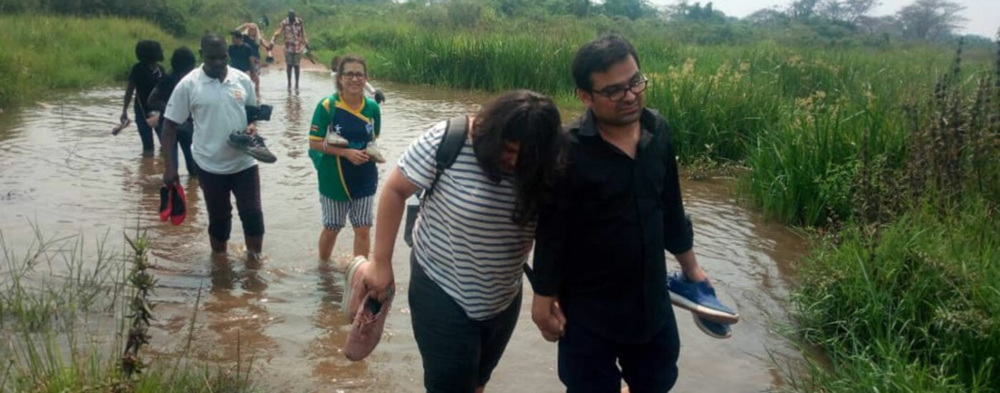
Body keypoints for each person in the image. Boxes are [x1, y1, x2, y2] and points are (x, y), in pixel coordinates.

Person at [530, 34, 715, 393]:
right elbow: (551, 233)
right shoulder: (567, 149)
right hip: (588, 312)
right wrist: (542, 300)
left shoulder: (657, 130)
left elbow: (672, 209)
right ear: (585, 96)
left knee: (658, 383)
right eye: (614, 91)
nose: (630, 95)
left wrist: (692, 269)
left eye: (635, 82)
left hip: (652, 305)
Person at [363, 90, 566, 392]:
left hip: (503, 297)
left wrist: (550, 294)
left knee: (478, 381)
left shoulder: (543, 166)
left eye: (525, 155)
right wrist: (380, 262)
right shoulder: (451, 140)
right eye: (508, 149)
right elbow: (394, 191)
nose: (513, 161)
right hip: (441, 287)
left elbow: (555, 233)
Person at [161, 34, 265, 257]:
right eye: (212, 58)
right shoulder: (189, 85)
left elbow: (250, 116)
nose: (218, 63)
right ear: (201, 55)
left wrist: (251, 127)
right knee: (219, 220)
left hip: (244, 161)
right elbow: (169, 126)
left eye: (222, 57)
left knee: (253, 215)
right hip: (210, 165)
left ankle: (254, 266)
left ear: (228, 54)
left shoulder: (242, 80)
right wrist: (169, 168)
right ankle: (220, 266)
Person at [307, 55, 382, 262]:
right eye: (349, 74)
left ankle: (359, 273)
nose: (354, 79)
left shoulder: (373, 108)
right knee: (332, 227)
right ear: (340, 78)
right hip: (334, 176)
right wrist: (345, 153)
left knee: (363, 227)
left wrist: (368, 155)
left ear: (365, 78)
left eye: (359, 75)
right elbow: (314, 143)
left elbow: (373, 140)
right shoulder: (327, 107)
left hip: (365, 175)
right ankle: (323, 270)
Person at [147, 47, 200, 178]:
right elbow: (151, 100)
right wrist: (172, 110)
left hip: (181, 124)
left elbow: (152, 101)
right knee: (179, 164)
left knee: (189, 164)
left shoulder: (190, 81)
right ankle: (188, 193)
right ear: (190, 64)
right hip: (171, 125)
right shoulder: (169, 80)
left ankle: (189, 192)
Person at [120, 40, 165, 155]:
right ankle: (148, 170)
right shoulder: (138, 69)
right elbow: (130, 90)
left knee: (165, 143)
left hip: (159, 112)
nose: (162, 52)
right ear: (151, 54)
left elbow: (167, 93)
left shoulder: (161, 70)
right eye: (159, 50)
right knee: (148, 146)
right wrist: (124, 110)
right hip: (141, 111)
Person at [269, 9, 308, 89]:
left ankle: (297, 84)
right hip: (288, 47)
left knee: (297, 66)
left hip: (297, 47)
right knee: (289, 65)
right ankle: (289, 83)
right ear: (288, 16)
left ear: (294, 16)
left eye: (292, 17)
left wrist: (306, 43)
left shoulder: (299, 22)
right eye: (290, 17)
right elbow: (278, 32)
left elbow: (303, 32)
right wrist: (272, 42)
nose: (291, 18)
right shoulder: (284, 22)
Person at [234, 22, 267, 97]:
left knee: (255, 76)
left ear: (256, 30)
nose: (252, 31)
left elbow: (266, 46)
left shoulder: (258, 39)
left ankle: (257, 92)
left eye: (254, 29)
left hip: (256, 59)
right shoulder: (244, 37)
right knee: (247, 75)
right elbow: (235, 33)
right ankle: (247, 91)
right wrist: (242, 26)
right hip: (246, 58)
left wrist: (269, 47)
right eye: (250, 29)